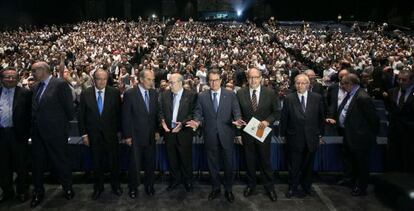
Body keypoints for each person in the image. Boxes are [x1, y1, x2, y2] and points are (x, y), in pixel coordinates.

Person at [186, 69, 245, 203]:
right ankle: (216, 188)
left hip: (227, 135)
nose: (213, 83)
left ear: (221, 80)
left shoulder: (230, 95)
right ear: (208, 81)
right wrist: (196, 122)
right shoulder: (202, 96)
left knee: (229, 164)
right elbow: (198, 114)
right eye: (211, 80)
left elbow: (236, 112)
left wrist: (237, 121)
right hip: (210, 135)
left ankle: (228, 189)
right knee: (213, 165)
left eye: (216, 80)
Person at [30, 61, 75, 208]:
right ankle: (38, 192)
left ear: (43, 70)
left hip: (56, 132)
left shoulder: (60, 84)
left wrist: (61, 127)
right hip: (37, 133)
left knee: (61, 160)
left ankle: (67, 187)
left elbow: (69, 109)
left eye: (34, 70)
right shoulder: (36, 86)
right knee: (37, 164)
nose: (32, 73)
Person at [236, 67, 280, 201]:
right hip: (247, 133)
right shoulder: (240, 93)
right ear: (247, 78)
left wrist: (268, 121)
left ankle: (269, 187)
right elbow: (238, 115)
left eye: (255, 77)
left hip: (262, 131)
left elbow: (277, 112)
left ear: (261, 78)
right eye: (250, 77)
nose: (253, 80)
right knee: (249, 161)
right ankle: (251, 185)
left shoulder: (270, 93)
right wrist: (238, 133)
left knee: (265, 161)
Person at [78, 69, 122, 200]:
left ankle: (116, 186)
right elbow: (81, 116)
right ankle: (98, 187)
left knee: (114, 162)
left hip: (111, 135)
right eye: (99, 78)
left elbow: (118, 114)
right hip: (93, 136)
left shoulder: (114, 93)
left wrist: (120, 132)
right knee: (96, 163)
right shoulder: (86, 94)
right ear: (93, 79)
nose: (102, 81)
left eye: (104, 78)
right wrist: (84, 135)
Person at [281, 74, 325, 198]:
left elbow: (320, 118)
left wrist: (321, 135)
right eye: (297, 83)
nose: (300, 86)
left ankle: (306, 186)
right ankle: (293, 187)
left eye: (303, 83)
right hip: (294, 138)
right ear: (294, 84)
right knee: (294, 165)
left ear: (308, 84)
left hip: (312, 138)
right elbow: (284, 118)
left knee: (308, 165)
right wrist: (283, 135)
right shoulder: (289, 98)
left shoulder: (317, 98)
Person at [338, 74, 379, 196]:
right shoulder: (352, 94)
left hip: (360, 137)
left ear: (351, 84)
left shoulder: (362, 97)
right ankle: (351, 181)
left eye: (344, 84)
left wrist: (367, 135)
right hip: (350, 134)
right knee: (352, 161)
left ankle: (361, 187)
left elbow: (373, 119)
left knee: (361, 164)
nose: (342, 86)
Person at [122, 69, 160, 199]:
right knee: (135, 164)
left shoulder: (154, 93)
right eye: (149, 79)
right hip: (135, 136)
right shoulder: (130, 94)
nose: (152, 82)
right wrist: (127, 136)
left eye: (153, 79)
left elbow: (154, 115)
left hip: (150, 136)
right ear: (141, 79)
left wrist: (156, 131)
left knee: (150, 163)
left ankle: (149, 185)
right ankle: (133, 187)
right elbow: (125, 116)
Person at [159, 73, 197, 192]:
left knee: (185, 159)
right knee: (172, 159)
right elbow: (160, 111)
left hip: (184, 133)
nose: (170, 85)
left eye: (172, 83)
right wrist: (162, 122)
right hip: (169, 133)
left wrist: (183, 123)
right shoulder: (164, 95)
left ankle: (187, 181)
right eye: (169, 82)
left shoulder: (191, 95)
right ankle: (175, 180)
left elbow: (193, 113)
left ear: (180, 83)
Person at [0, 68, 32, 203]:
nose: (10, 79)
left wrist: (27, 133)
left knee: (21, 166)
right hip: (1, 135)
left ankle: (22, 191)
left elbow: (30, 115)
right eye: (7, 77)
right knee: (2, 166)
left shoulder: (25, 93)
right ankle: (7, 192)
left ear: (18, 78)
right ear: (1, 79)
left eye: (13, 77)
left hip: (18, 135)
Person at [383, 69, 414, 173]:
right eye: (399, 79)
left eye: (404, 80)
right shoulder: (392, 92)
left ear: (411, 81)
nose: (401, 82)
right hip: (394, 131)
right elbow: (390, 109)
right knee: (394, 158)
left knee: (408, 159)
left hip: (410, 133)